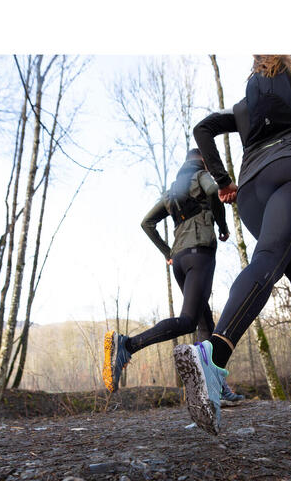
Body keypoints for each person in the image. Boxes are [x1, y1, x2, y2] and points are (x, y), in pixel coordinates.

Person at [173, 55, 291, 434]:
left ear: (255, 67)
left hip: (251, 194)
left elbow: (203, 128)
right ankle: (213, 356)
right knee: (269, 261)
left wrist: (225, 181)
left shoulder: (244, 105)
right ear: (287, 59)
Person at [103, 148, 244, 404]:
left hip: (180, 259)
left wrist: (167, 252)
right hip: (199, 253)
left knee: (204, 323)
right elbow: (213, 192)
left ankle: (216, 386)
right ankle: (127, 345)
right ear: (202, 160)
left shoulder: (172, 191)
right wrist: (222, 226)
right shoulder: (201, 176)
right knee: (189, 321)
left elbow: (147, 223)